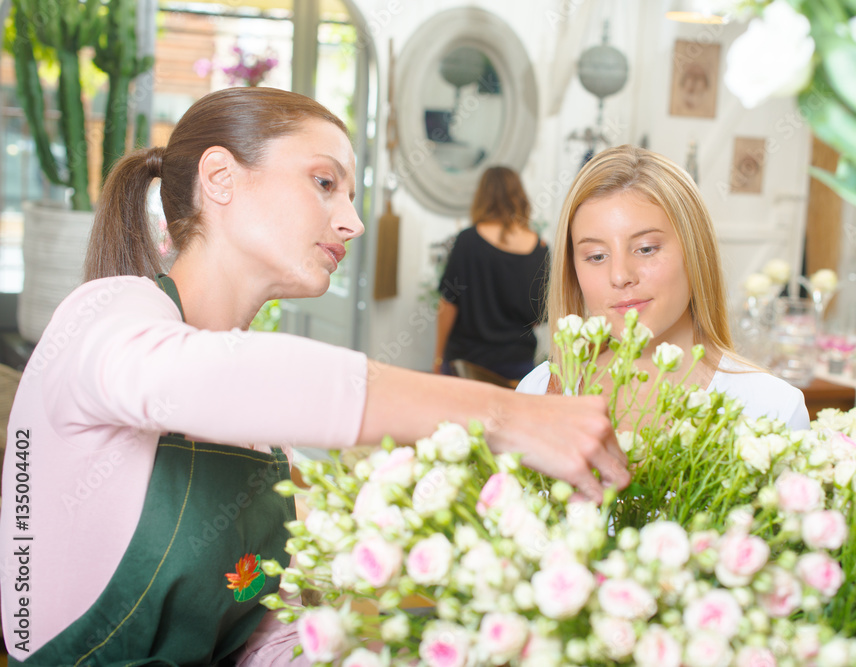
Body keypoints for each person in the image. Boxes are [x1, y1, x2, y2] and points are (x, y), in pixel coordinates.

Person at [0, 88, 629, 664]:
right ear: (220, 178)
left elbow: (256, 631)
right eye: (325, 182)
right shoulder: (104, 316)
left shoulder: (263, 443)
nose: (352, 222)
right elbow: (213, 377)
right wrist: (509, 416)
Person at [517, 145, 809, 431]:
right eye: (596, 256)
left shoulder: (772, 410)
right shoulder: (539, 391)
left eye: (646, 249)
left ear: (695, 251)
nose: (620, 276)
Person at [433, 166, 548, 382]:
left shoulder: (467, 241)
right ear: (520, 197)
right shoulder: (540, 248)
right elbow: (539, 316)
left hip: (467, 365)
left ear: (482, 197)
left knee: (459, 417)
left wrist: (438, 357)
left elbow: (448, 303)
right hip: (517, 366)